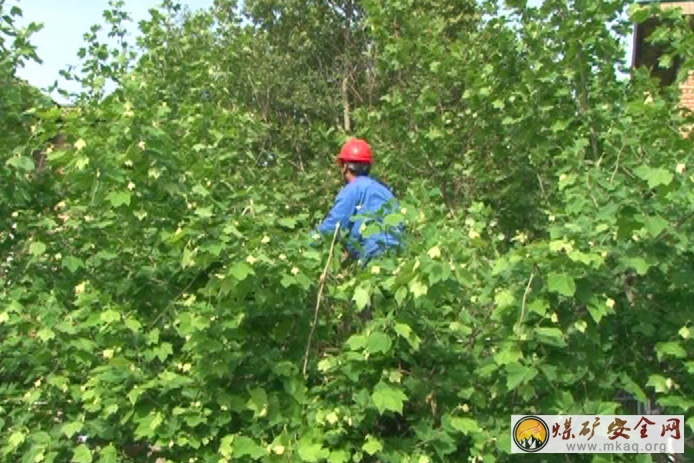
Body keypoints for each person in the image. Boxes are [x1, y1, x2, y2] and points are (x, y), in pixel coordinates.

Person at [312, 138, 404, 267]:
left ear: (344, 167)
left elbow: (333, 227)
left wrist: (307, 243)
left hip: (374, 256)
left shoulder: (353, 189)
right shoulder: (385, 191)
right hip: (398, 255)